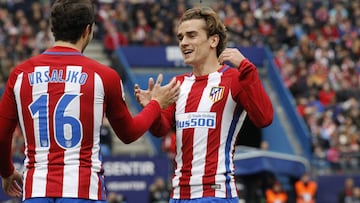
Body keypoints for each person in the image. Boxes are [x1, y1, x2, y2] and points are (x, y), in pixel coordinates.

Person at [0, 0, 180, 202]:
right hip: (84, 190)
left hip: (36, 190)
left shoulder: (20, 74)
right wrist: (155, 104)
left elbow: (1, 135)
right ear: (88, 30)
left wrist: (7, 171)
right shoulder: (104, 76)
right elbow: (129, 134)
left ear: (54, 29)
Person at [134, 6, 273, 202]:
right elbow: (160, 130)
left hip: (216, 194)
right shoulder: (178, 84)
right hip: (178, 195)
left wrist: (246, 67)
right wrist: (153, 108)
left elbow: (264, 118)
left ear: (213, 40)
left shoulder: (234, 78)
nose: (183, 43)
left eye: (191, 35)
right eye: (180, 37)